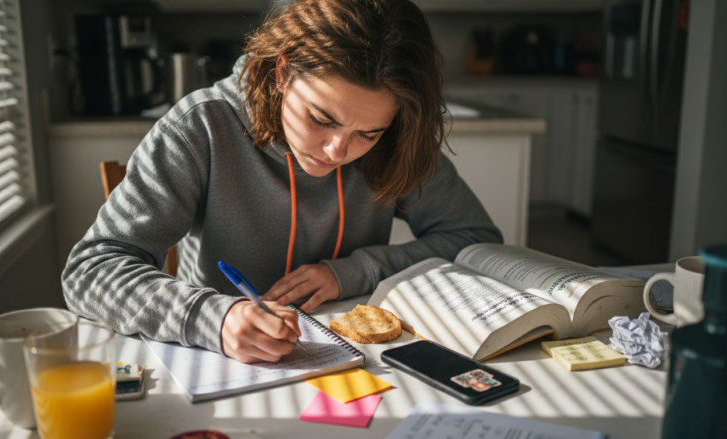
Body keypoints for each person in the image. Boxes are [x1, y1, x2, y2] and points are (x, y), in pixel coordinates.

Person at [62, 0, 502, 364]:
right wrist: (213, 316)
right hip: (222, 360)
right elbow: (90, 271)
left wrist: (354, 272)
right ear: (281, 72)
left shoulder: (397, 135)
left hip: (365, 364)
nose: (336, 151)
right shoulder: (202, 126)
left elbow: (475, 239)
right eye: (321, 118)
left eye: (367, 134)